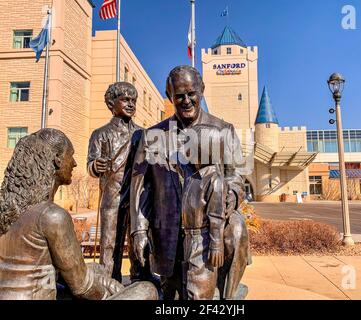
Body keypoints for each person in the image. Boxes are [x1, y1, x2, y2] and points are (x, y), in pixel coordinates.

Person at [130, 65, 251, 300]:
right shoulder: (153, 136)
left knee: (236, 229)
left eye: (191, 93)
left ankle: (225, 296)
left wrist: (228, 199)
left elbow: (236, 178)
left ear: (201, 90)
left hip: (211, 220)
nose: (186, 100)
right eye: (179, 95)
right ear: (169, 96)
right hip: (168, 220)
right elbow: (140, 187)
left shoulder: (223, 130)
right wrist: (139, 229)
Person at [0, 129, 157, 300]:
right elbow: (83, 287)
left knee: (96, 269)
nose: (74, 163)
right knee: (146, 290)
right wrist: (115, 293)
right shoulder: (51, 216)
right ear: (57, 160)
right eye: (71, 155)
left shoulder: (8, 209)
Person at [87, 82, 142, 277]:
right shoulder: (100, 134)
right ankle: (110, 279)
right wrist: (95, 166)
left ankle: (140, 276)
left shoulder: (142, 134)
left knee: (138, 237)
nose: (130, 104)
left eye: (133, 100)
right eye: (125, 99)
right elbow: (91, 164)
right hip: (112, 195)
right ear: (112, 103)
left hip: (137, 196)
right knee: (110, 242)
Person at [178, 124, 226, 300]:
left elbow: (217, 216)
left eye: (189, 146)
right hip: (189, 238)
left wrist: (216, 245)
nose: (185, 150)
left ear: (203, 149)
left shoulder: (214, 180)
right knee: (189, 281)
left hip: (203, 240)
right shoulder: (193, 177)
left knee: (198, 289)